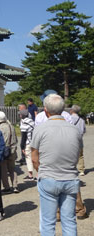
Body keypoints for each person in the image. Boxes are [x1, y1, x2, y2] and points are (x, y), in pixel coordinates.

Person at [31, 94, 82, 235]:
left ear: (45, 110)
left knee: (48, 222)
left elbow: (34, 157)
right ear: (63, 109)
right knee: (69, 221)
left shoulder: (40, 129)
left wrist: (40, 170)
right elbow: (77, 153)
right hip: (70, 177)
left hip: (48, 177)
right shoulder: (74, 130)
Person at [0, 111, 19, 194]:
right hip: (12, 149)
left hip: (3, 151)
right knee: (12, 168)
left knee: (3, 169)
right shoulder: (11, 126)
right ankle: (15, 186)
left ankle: (6, 187)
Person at [19, 109, 35, 181]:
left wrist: (22, 147)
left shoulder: (24, 123)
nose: (19, 115)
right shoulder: (31, 121)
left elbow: (24, 136)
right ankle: (38, 174)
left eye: (20, 114)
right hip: (34, 143)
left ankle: (30, 175)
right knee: (35, 158)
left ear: (22, 115)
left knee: (28, 158)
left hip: (28, 143)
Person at [70, 105, 86, 176]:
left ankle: (71, 169)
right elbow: (84, 130)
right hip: (80, 139)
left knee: (70, 155)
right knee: (80, 156)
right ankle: (81, 170)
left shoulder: (69, 119)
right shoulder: (82, 120)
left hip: (71, 139)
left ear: (72, 110)